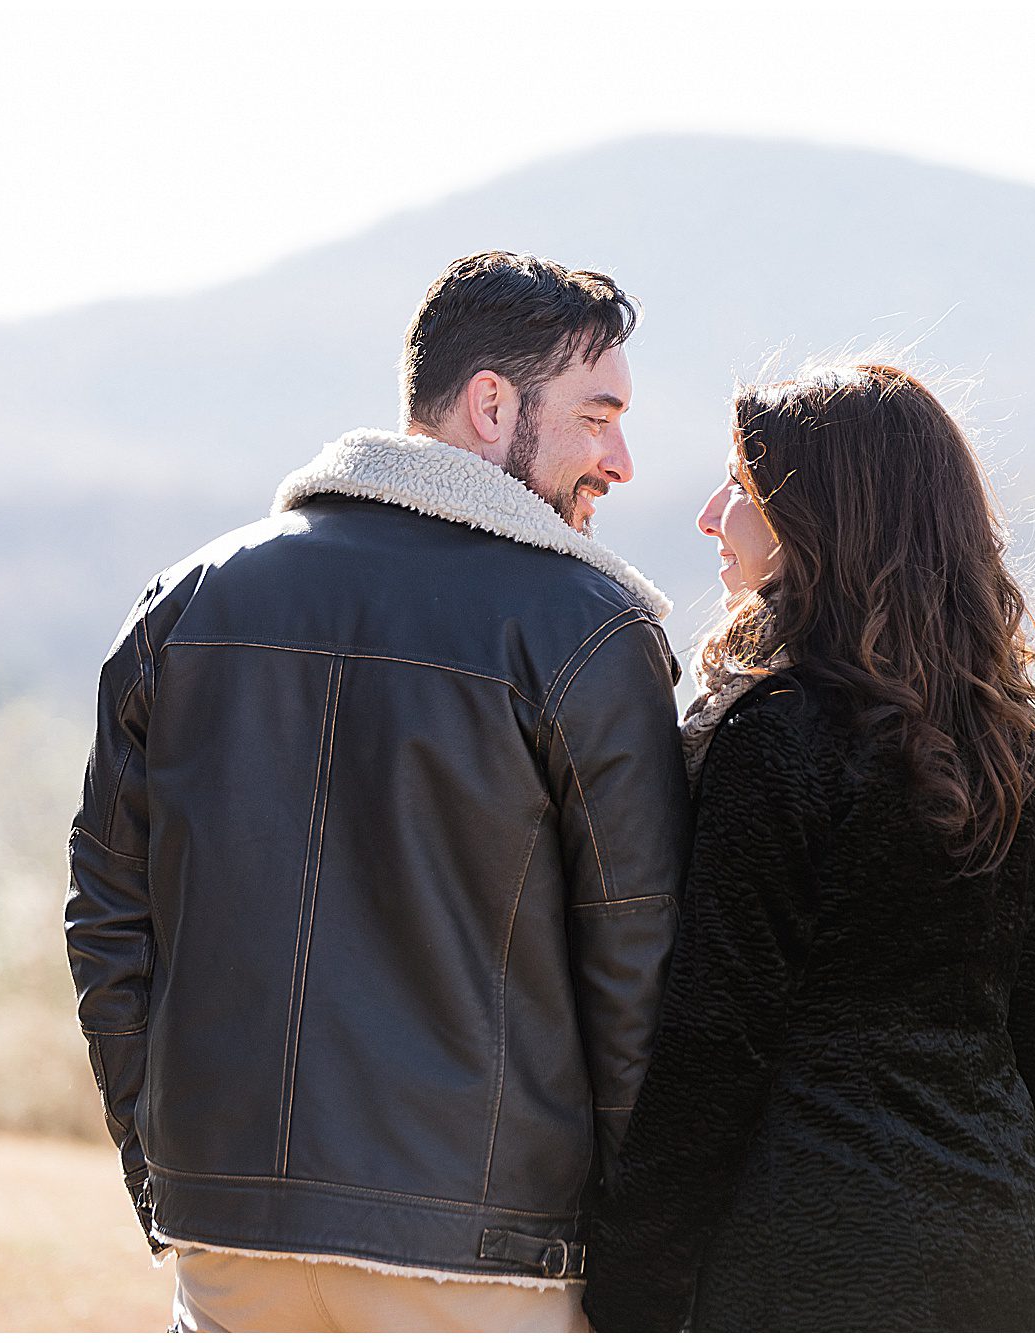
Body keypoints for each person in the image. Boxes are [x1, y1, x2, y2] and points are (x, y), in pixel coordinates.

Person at [64, 251, 692, 1332]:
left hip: (229, 1245)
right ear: (490, 405)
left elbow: (109, 923)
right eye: (597, 415)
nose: (621, 459)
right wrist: (644, 1263)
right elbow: (641, 974)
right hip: (489, 1263)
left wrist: (173, 1168)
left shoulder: (190, 600)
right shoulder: (588, 632)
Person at [581, 363, 1035, 1331]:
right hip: (1015, 1251)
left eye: (740, 487)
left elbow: (711, 1045)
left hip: (816, 1259)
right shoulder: (1023, 755)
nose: (710, 515)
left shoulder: (772, 743)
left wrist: (627, 1296)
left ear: (815, 521)